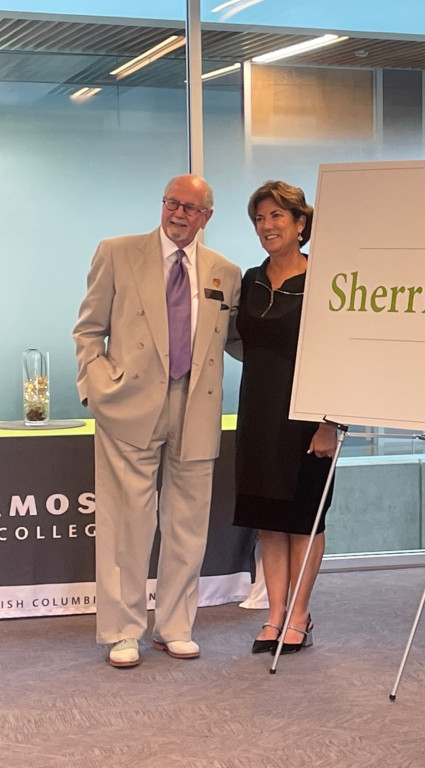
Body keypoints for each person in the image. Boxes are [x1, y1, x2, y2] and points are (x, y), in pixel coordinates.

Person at [73, 174, 242, 668]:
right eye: (173, 203)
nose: (179, 213)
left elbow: (234, 341)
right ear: (162, 204)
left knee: (187, 522)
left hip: (197, 405)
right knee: (127, 521)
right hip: (128, 404)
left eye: (191, 208)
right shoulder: (118, 253)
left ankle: (175, 626)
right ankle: (124, 631)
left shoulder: (224, 272)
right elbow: (88, 330)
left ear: (207, 217)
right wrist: (97, 387)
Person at [232, 180, 337, 655]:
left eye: (277, 216)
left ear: (300, 223)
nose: (267, 226)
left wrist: (329, 422)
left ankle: (299, 614)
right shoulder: (250, 279)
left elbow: (341, 355)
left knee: (304, 520)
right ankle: (274, 615)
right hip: (257, 411)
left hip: (308, 418)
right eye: (260, 218)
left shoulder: (325, 279)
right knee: (268, 520)